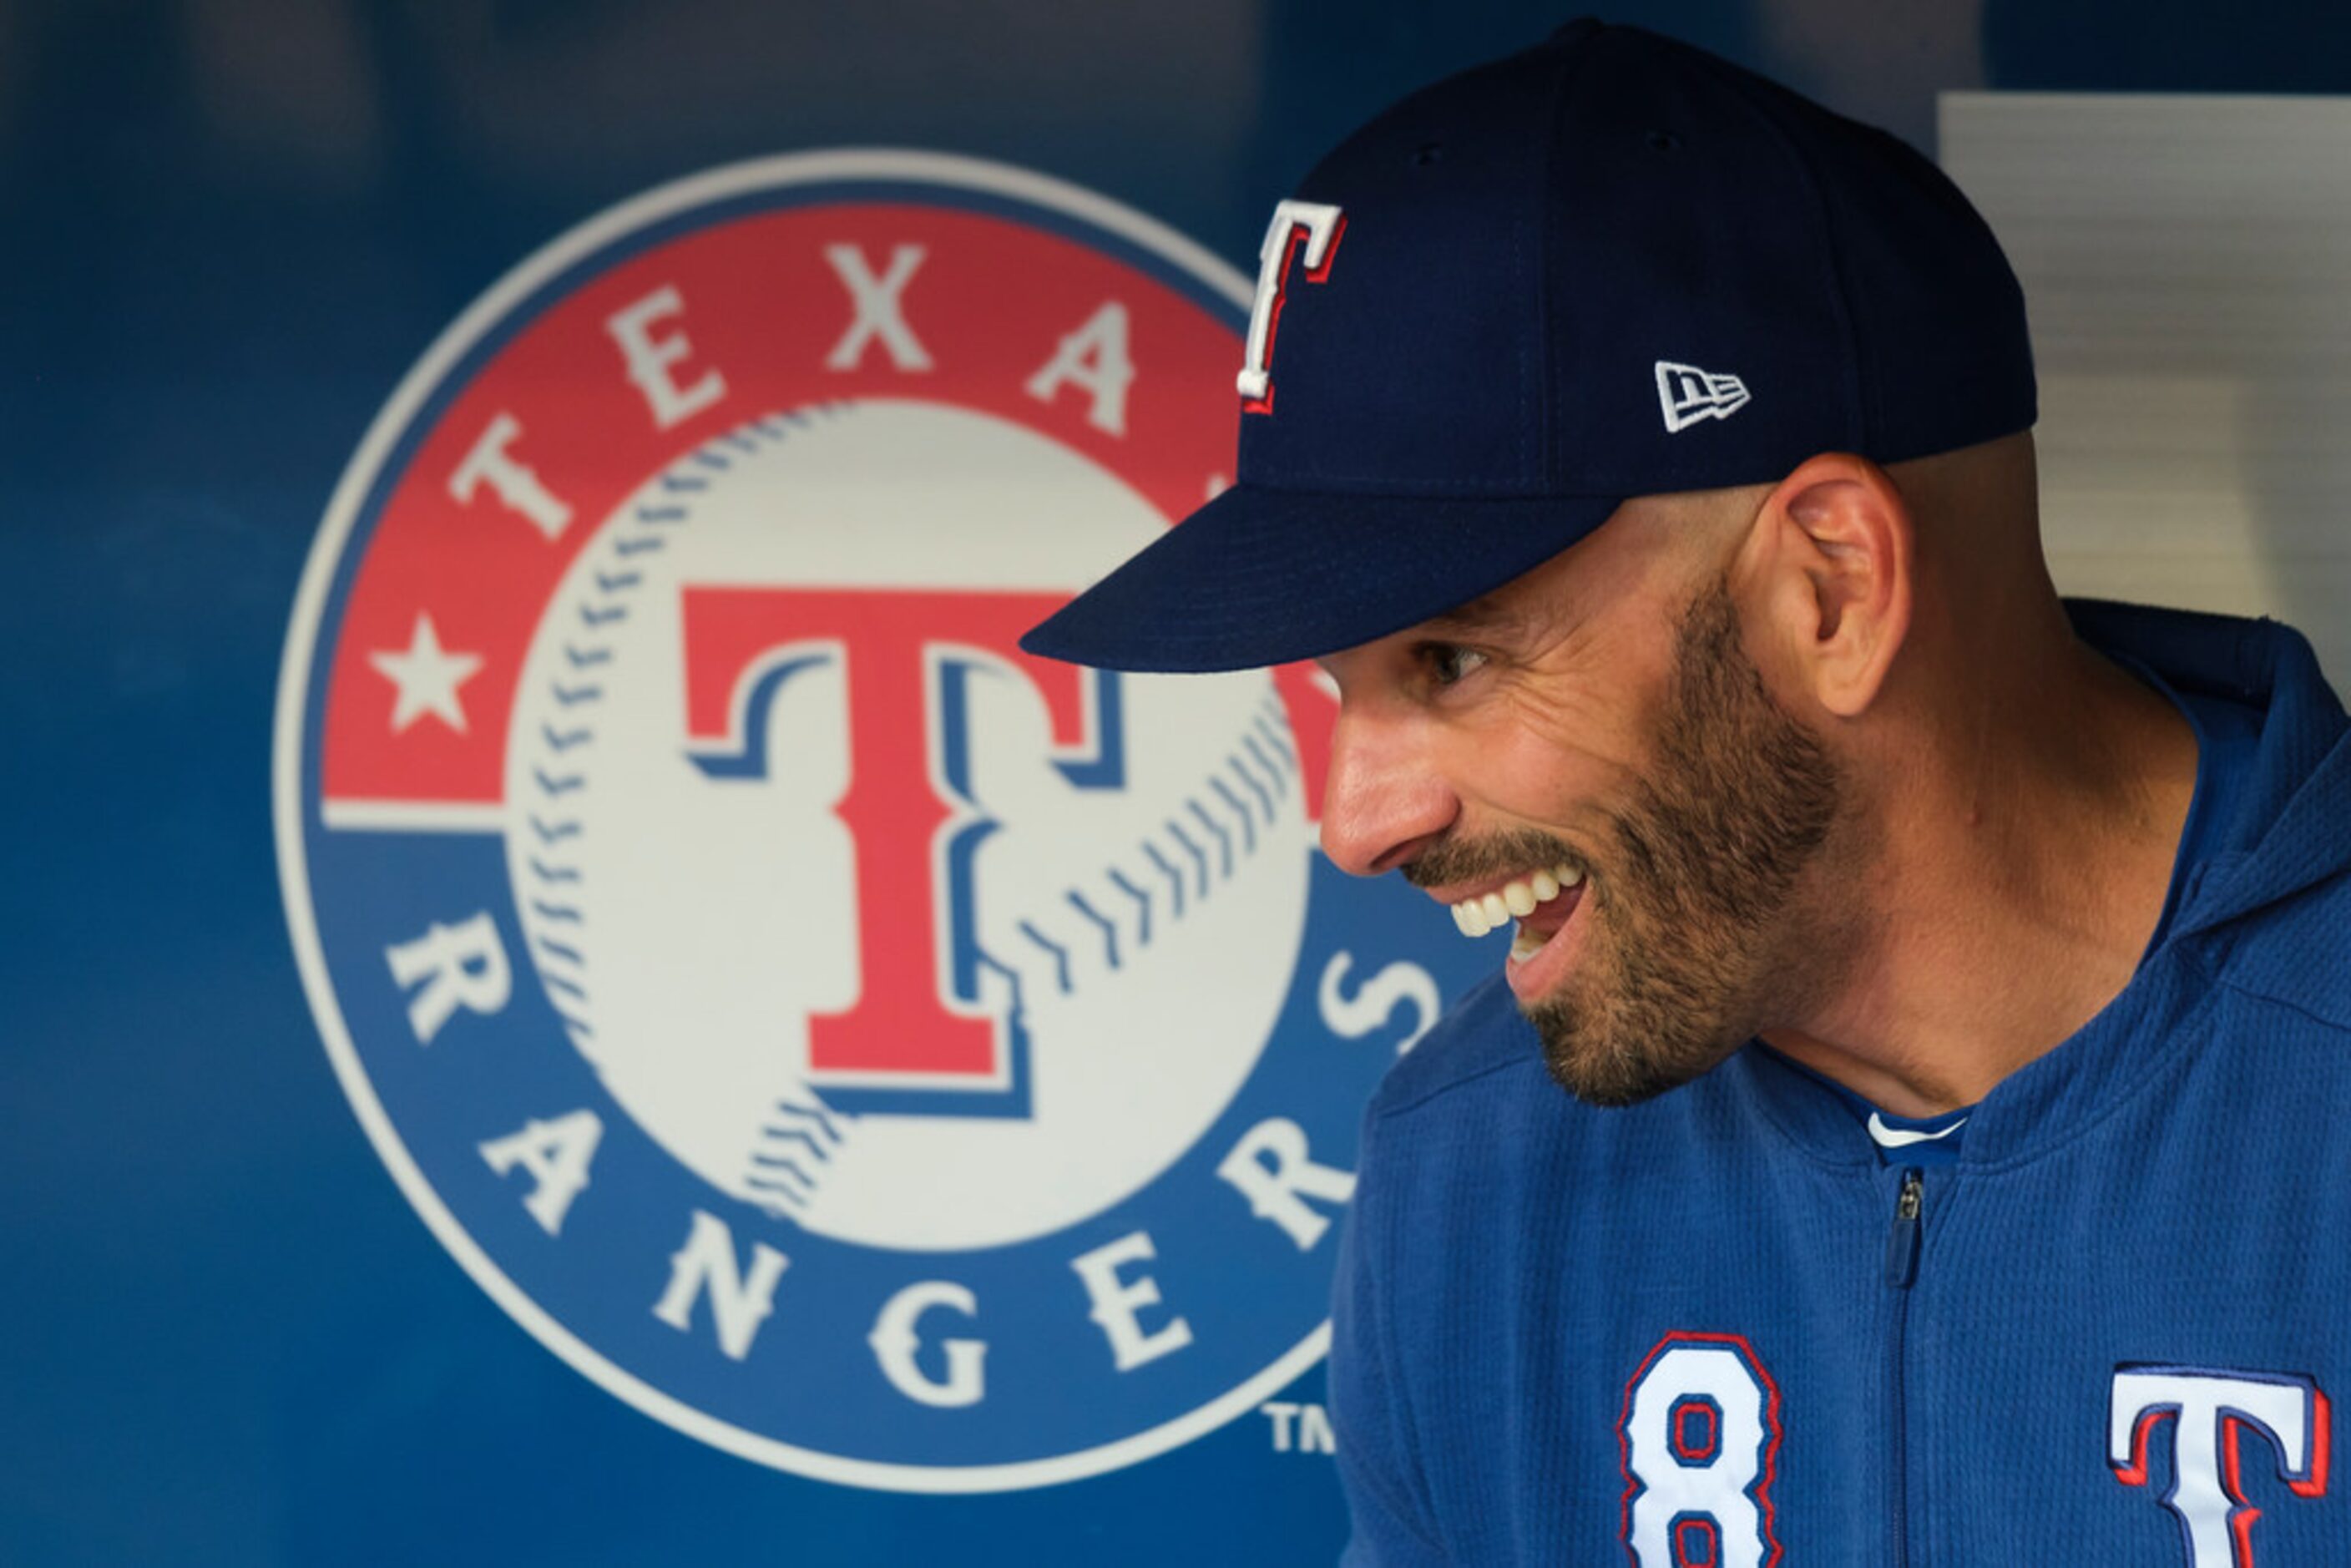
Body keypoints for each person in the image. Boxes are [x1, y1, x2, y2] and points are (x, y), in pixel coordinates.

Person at [1024, 19, 2351, 1565]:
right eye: (1340, 685)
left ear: (1831, 591)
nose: (1358, 818)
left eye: (1453, 659)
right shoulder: (1469, 1178)